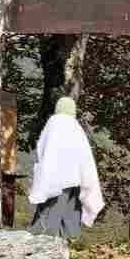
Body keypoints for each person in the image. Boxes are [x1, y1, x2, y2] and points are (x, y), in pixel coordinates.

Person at [28, 97, 105, 238]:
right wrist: (87, 184)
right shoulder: (76, 127)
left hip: (54, 181)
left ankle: (39, 247)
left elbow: (42, 152)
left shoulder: (52, 124)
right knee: (71, 219)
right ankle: (72, 246)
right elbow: (85, 158)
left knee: (48, 220)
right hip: (75, 181)